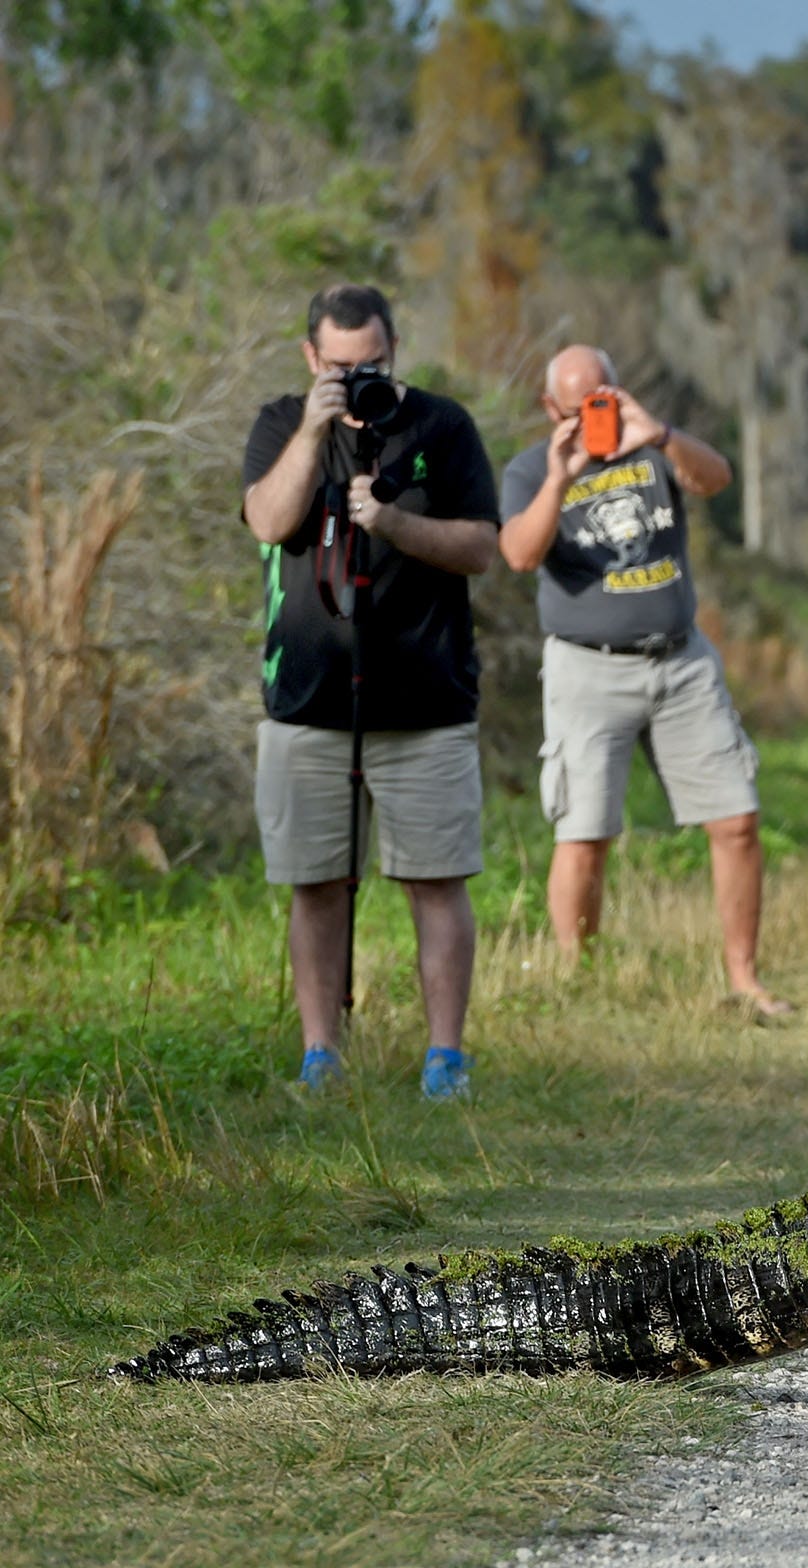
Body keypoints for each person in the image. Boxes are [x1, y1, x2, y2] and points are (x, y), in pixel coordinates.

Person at [240, 283, 500, 1098]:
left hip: (425, 702)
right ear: (313, 358)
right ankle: (321, 1053)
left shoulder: (442, 425)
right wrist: (318, 429)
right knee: (314, 883)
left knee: (436, 879)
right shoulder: (283, 424)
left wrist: (394, 525)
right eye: (342, 365)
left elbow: (481, 547)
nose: (360, 378)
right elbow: (268, 521)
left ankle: (445, 1060)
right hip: (309, 704)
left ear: (395, 351)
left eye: (374, 363)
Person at [497, 344, 790, 1019]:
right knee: (584, 832)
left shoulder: (654, 451)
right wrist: (560, 476)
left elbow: (716, 478)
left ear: (619, 392)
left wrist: (658, 433)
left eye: (603, 398)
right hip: (587, 666)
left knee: (738, 820)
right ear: (551, 410)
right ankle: (579, 981)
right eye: (578, 407)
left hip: (681, 660)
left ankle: (744, 980)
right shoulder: (527, 470)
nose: (594, 416)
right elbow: (518, 553)